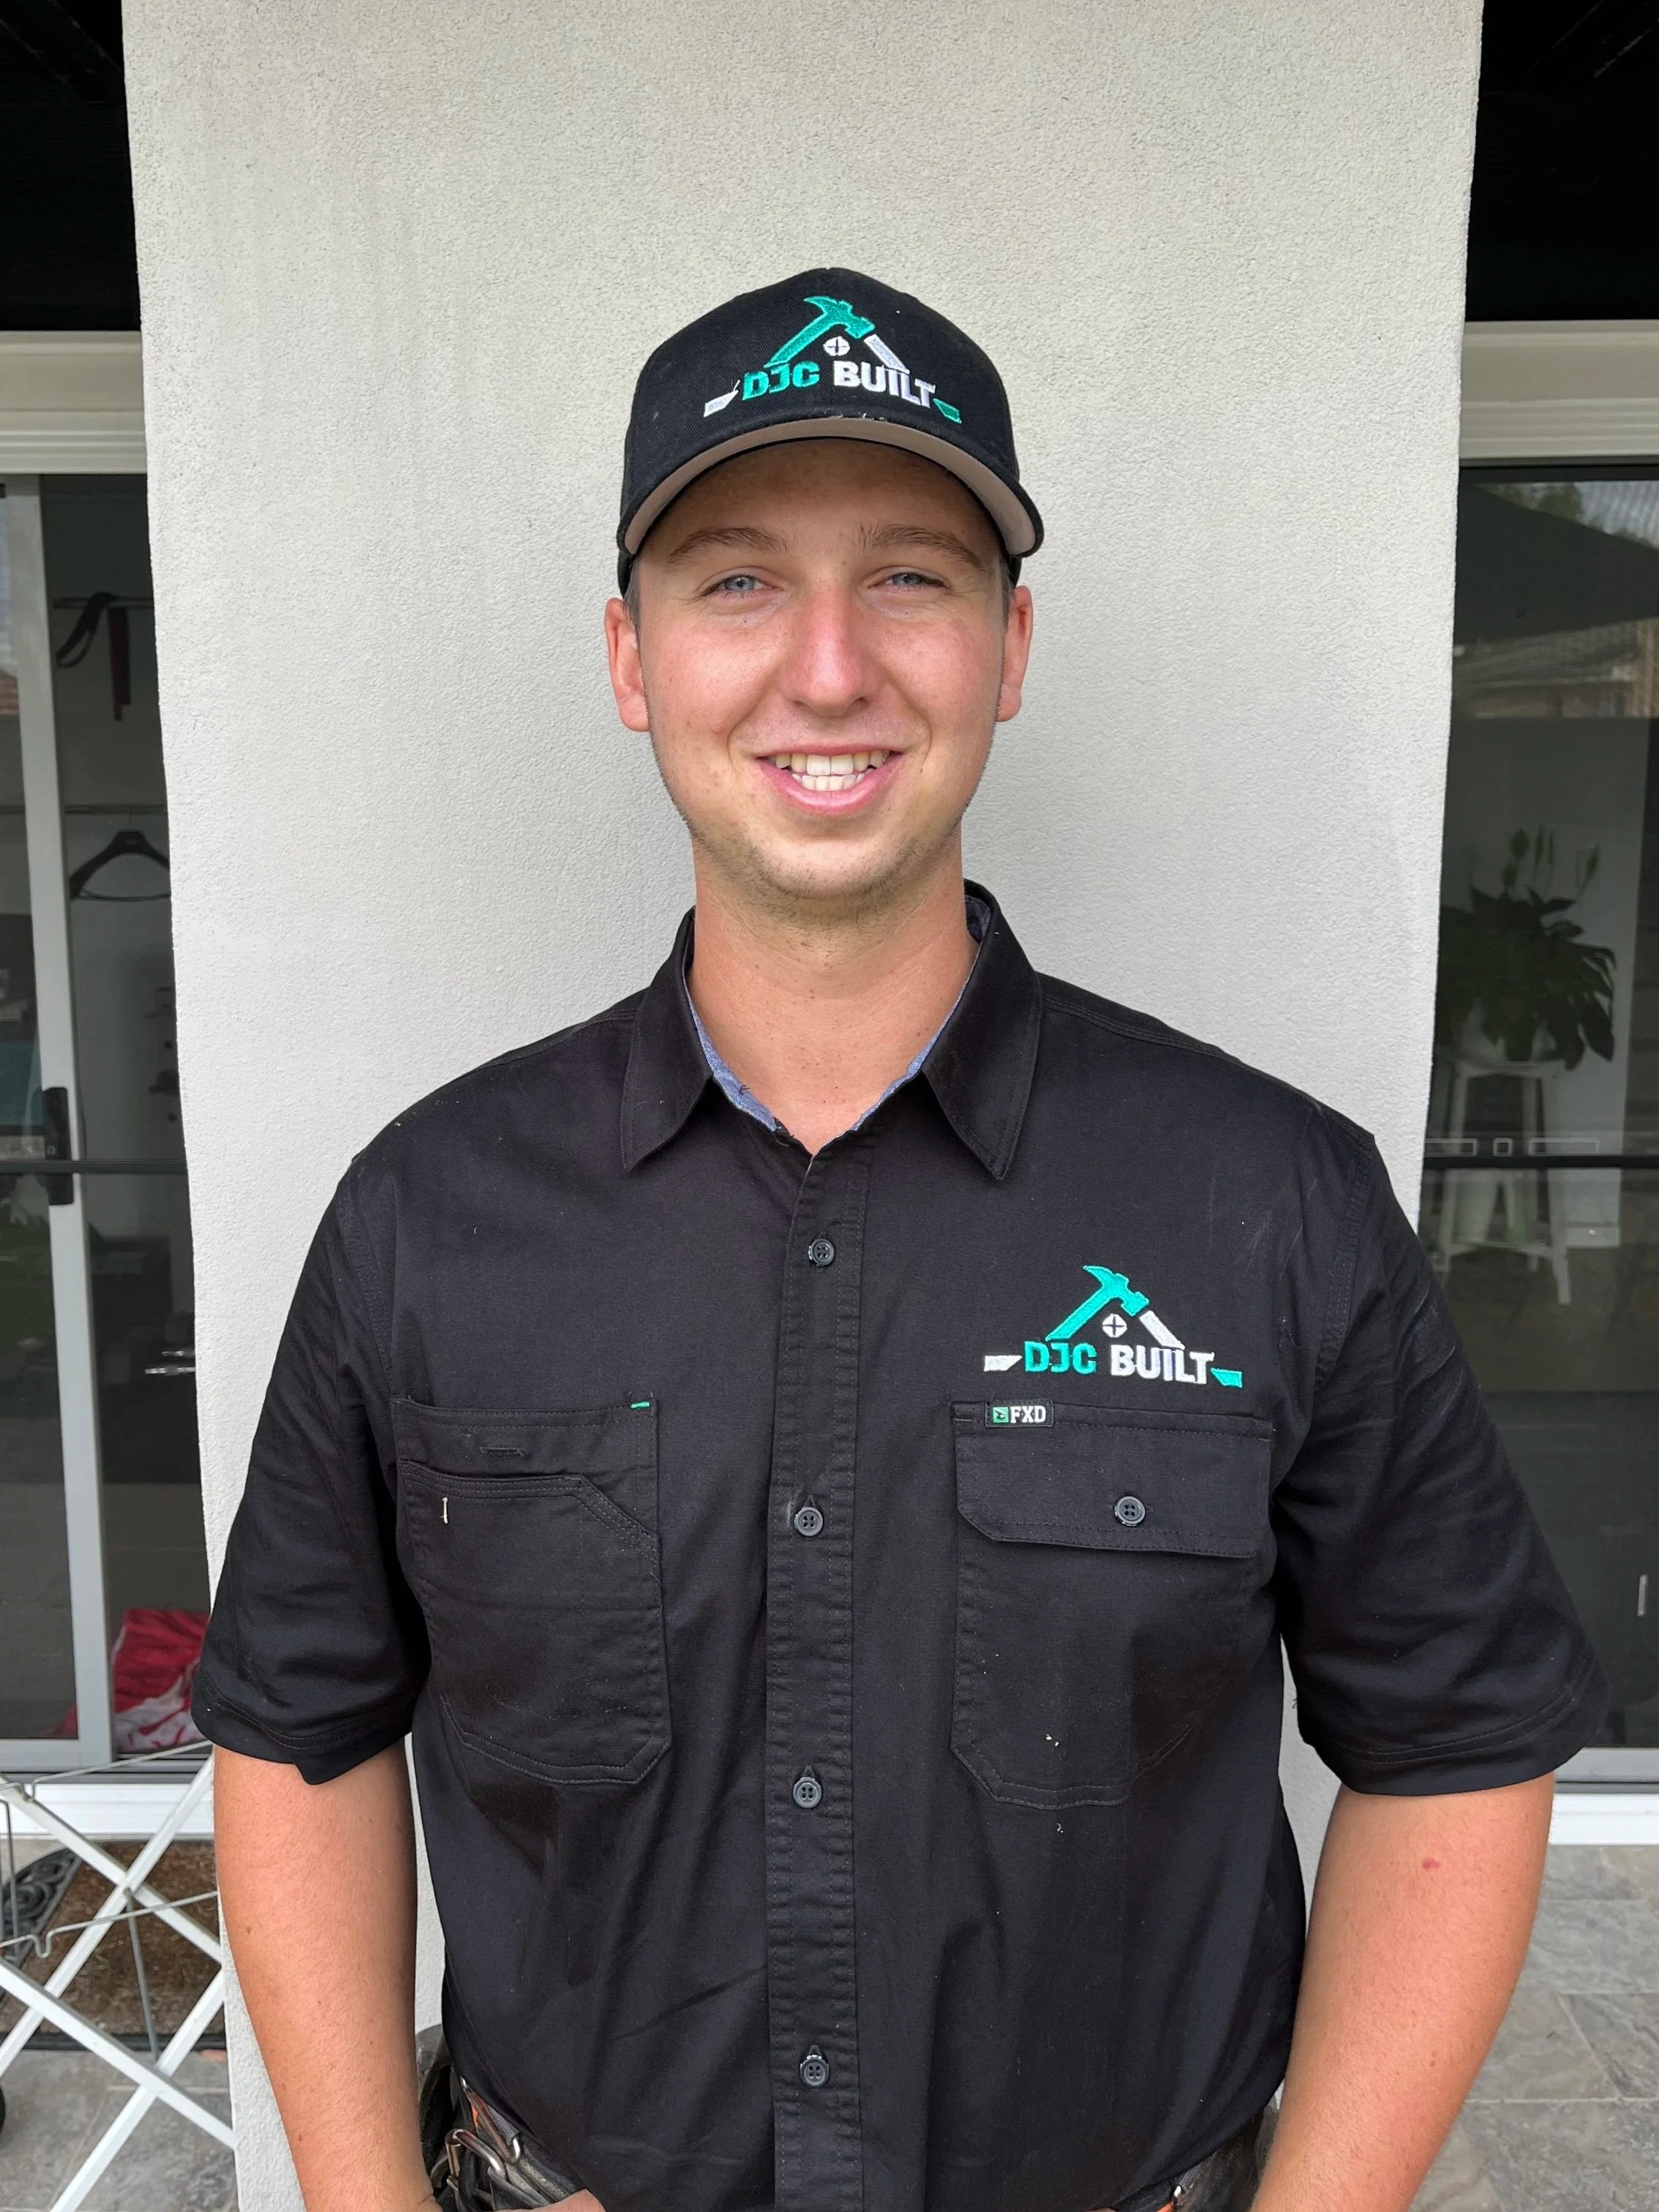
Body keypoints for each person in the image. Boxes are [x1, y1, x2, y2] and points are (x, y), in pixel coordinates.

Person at [195, 268, 1606, 2212]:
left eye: (915, 578)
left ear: (1010, 647)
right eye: (737, 580)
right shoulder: (429, 1222)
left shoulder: (1266, 1203)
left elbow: (1452, 1743)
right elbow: (298, 1735)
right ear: (631, 655)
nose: (831, 666)